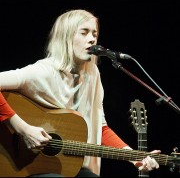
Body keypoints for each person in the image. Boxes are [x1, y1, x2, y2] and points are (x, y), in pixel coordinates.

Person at [0, 9, 161, 177]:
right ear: (66, 37)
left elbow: (100, 128)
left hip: (63, 166)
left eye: (94, 34)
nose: (91, 39)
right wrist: (23, 129)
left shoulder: (92, 75)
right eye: (84, 33)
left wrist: (135, 158)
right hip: (23, 166)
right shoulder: (43, 72)